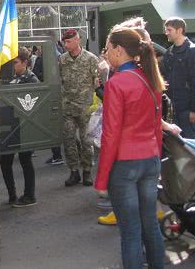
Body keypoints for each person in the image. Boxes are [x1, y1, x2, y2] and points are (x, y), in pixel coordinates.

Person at [94, 27, 166, 269]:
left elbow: (110, 135)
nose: (106, 54)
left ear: (119, 49)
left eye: (107, 48)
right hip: (150, 159)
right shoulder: (151, 77)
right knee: (150, 225)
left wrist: (102, 178)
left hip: (125, 165)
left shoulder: (117, 83)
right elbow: (157, 127)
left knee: (131, 232)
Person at [59, 28, 99, 187]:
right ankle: (74, 171)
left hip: (85, 107)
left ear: (78, 40)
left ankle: (87, 171)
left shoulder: (91, 59)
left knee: (86, 141)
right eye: (65, 42)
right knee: (69, 140)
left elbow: (97, 82)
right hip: (68, 107)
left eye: (69, 41)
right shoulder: (62, 60)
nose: (66, 45)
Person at [0, 47, 39, 207]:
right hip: (11, 126)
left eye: (16, 62)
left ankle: (30, 195)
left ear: (25, 63)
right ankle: (12, 194)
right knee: (5, 161)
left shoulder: (32, 80)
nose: (13, 66)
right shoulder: (12, 78)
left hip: (24, 127)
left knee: (25, 160)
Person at [161, 17, 195, 139]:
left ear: (179, 30)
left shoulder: (193, 51)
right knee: (175, 147)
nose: (166, 33)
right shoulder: (169, 53)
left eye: (169, 30)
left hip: (187, 110)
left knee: (191, 146)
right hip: (172, 109)